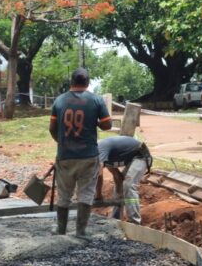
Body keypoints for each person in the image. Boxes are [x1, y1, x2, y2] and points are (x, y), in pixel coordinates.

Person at [49, 68, 112, 237]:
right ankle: (81, 231)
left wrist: (62, 143)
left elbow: (52, 128)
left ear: (71, 82)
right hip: (88, 156)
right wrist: (95, 122)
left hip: (65, 155)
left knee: (64, 195)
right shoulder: (96, 100)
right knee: (86, 194)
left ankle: (61, 230)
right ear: (88, 82)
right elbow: (107, 125)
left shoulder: (59, 101)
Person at [97, 135, 152, 224]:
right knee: (119, 187)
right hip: (131, 159)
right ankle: (116, 219)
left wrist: (98, 195)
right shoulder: (106, 157)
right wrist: (119, 191)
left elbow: (98, 175)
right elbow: (117, 176)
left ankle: (134, 221)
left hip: (141, 156)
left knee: (129, 185)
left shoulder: (100, 150)